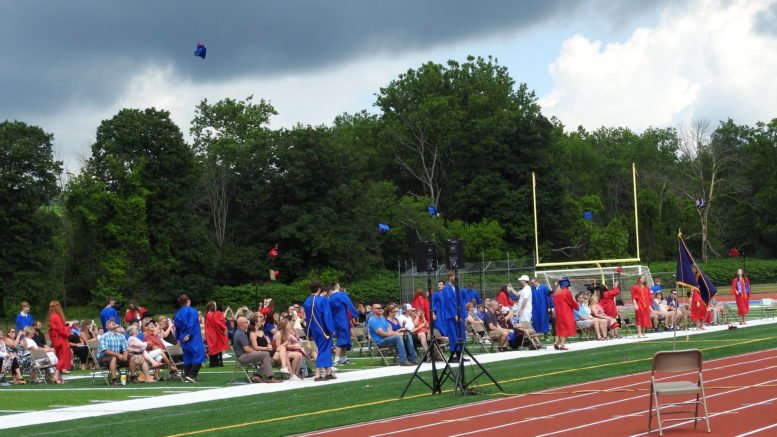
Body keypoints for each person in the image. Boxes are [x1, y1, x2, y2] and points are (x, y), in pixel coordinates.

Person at [231, 316, 280, 383]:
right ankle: (269, 378)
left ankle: (257, 376)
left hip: (244, 355)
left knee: (267, 356)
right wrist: (256, 351)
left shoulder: (240, 332)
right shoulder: (240, 333)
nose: (248, 323)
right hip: (242, 357)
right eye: (246, 322)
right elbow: (247, 349)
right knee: (266, 354)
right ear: (242, 324)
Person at [304, 281, 336, 381]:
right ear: (318, 288)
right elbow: (327, 316)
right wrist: (331, 329)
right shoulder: (322, 300)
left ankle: (328, 372)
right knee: (324, 349)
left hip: (313, 328)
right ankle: (318, 373)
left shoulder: (307, 301)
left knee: (324, 348)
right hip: (323, 328)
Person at [174, 294, 206, 383]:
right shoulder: (192, 311)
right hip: (193, 337)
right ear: (188, 301)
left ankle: (187, 375)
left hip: (182, 337)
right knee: (199, 355)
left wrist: (178, 338)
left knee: (187, 356)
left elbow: (176, 327)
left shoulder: (178, 313)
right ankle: (192, 375)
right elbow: (191, 323)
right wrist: (189, 334)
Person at [329, 282, 359, 366]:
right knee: (343, 337)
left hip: (335, 319)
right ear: (337, 286)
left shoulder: (330, 298)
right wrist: (355, 315)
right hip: (342, 319)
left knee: (342, 336)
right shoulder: (342, 295)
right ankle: (337, 359)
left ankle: (344, 358)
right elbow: (349, 305)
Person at [97, 319, 134, 385]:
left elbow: (125, 348)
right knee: (113, 358)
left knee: (131, 356)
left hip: (117, 357)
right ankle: (114, 380)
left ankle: (133, 377)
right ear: (107, 327)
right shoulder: (104, 336)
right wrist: (118, 355)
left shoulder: (121, 336)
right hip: (104, 358)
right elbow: (105, 351)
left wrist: (125, 355)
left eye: (114, 322)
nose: (113, 323)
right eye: (111, 323)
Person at [47, 300, 71, 383]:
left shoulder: (51, 317)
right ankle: (56, 376)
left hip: (55, 340)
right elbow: (62, 331)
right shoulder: (56, 317)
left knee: (60, 357)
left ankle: (60, 378)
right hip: (60, 340)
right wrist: (68, 327)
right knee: (62, 358)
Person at [552, 278, 579, 350]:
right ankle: (562, 345)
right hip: (566, 312)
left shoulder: (555, 293)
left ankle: (556, 342)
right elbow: (571, 302)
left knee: (560, 328)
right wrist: (577, 307)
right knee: (566, 328)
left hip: (558, 312)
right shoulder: (566, 292)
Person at [204, 301, 229, 368]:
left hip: (211, 332)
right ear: (212, 306)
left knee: (214, 348)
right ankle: (215, 363)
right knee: (214, 347)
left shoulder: (208, 314)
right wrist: (224, 327)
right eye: (215, 305)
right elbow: (217, 322)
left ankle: (215, 363)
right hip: (213, 333)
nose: (216, 307)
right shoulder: (211, 314)